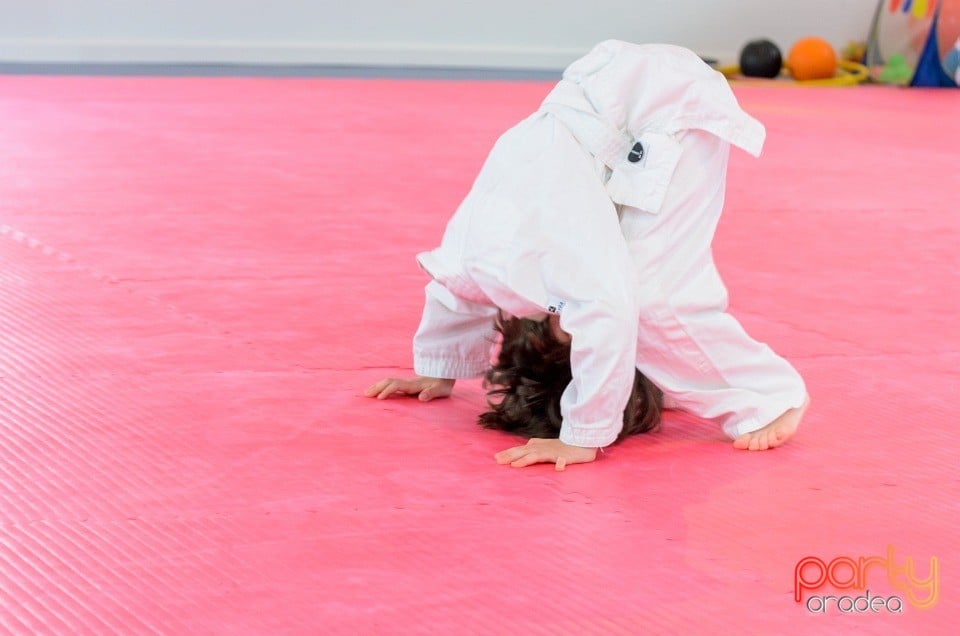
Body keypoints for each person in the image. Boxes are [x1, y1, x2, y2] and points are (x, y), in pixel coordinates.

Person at [365, 41, 809, 470]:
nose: (585, 330)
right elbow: (452, 288)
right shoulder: (485, 267)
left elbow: (606, 313)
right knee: (634, 296)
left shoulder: (552, 270)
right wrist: (438, 371)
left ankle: (770, 397)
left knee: (650, 297)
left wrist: (582, 435)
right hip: (614, 96)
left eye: (580, 339)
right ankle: (678, 378)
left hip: (665, 112)